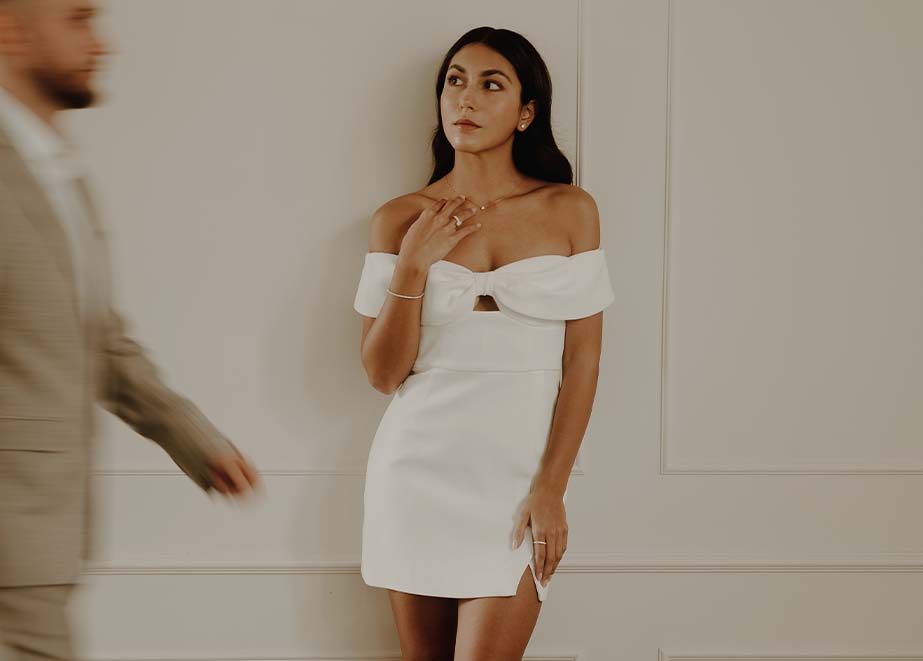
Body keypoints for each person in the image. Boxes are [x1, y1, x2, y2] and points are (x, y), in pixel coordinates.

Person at [0, 1, 260, 658]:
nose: (101, 44)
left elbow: (99, 341)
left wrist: (193, 438)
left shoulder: (61, 175)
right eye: (77, 19)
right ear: (11, 31)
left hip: (44, 540)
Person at [353, 26, 614, 659]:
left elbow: (583, 362)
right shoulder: (399, 218)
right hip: (415, 473)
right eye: (455, 81)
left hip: (518, 482)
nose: (465, 98)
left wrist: (551, 488)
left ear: (526, 112)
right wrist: (413, 265)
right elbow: (383, 375)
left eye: (491, 84)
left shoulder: (570, 210)